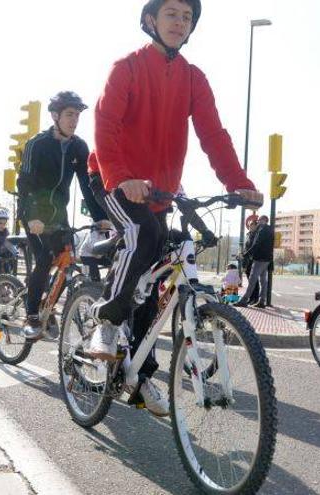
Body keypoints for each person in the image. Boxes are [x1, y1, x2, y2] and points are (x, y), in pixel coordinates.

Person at [86, 0, 263, 417]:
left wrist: (238, 183)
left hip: (160, 190)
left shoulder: (193, 79)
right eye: (171, 14)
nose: (179, 22)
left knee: (156, 277)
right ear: (151, 20)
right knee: (143, 236)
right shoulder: (126, 67)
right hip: (114, 177)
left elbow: (213, 136)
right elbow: (105, 124)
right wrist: (121, 176)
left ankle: (140, 372)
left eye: (187, 16)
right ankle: (107, 322)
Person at [17, 91, 109, 339]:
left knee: (66, 261)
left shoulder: (79, 146)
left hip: (59, 216)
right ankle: (32, 315)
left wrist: (100, 215)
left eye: (78, 115)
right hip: (33, 213)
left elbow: (88, 185)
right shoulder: (37, 144)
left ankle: (50, 308)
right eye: (70, 114)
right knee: (45, 260)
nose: (74, 120)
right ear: (55, 115)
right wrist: (31, 216)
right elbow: (25, 184)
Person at [236, 215, 274, 308]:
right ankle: (262, 301)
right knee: (263, 281)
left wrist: (246, 254)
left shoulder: (261, 230)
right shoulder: (270, 230)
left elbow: (256, 244)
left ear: (264, 220)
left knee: (252, 279)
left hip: (259, 258)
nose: (259, 222)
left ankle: (244, 300)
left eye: (260, 220)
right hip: (267, 259)